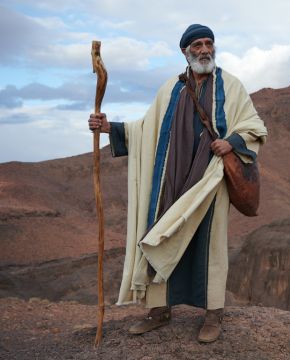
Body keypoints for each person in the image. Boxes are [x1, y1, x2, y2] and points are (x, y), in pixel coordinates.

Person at [88, 24, 267, 343]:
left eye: (209, 43)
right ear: (185, 51)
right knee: (160, 236)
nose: (205, 50)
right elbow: (146, 129)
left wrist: (231, 142)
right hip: (170, 181)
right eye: (197, 45)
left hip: (209, 180)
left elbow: (254, 125)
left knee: (209, 244)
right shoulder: (171, 88)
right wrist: (108, 127)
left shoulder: (231, 85)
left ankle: (213, 315)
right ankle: (159, 310)